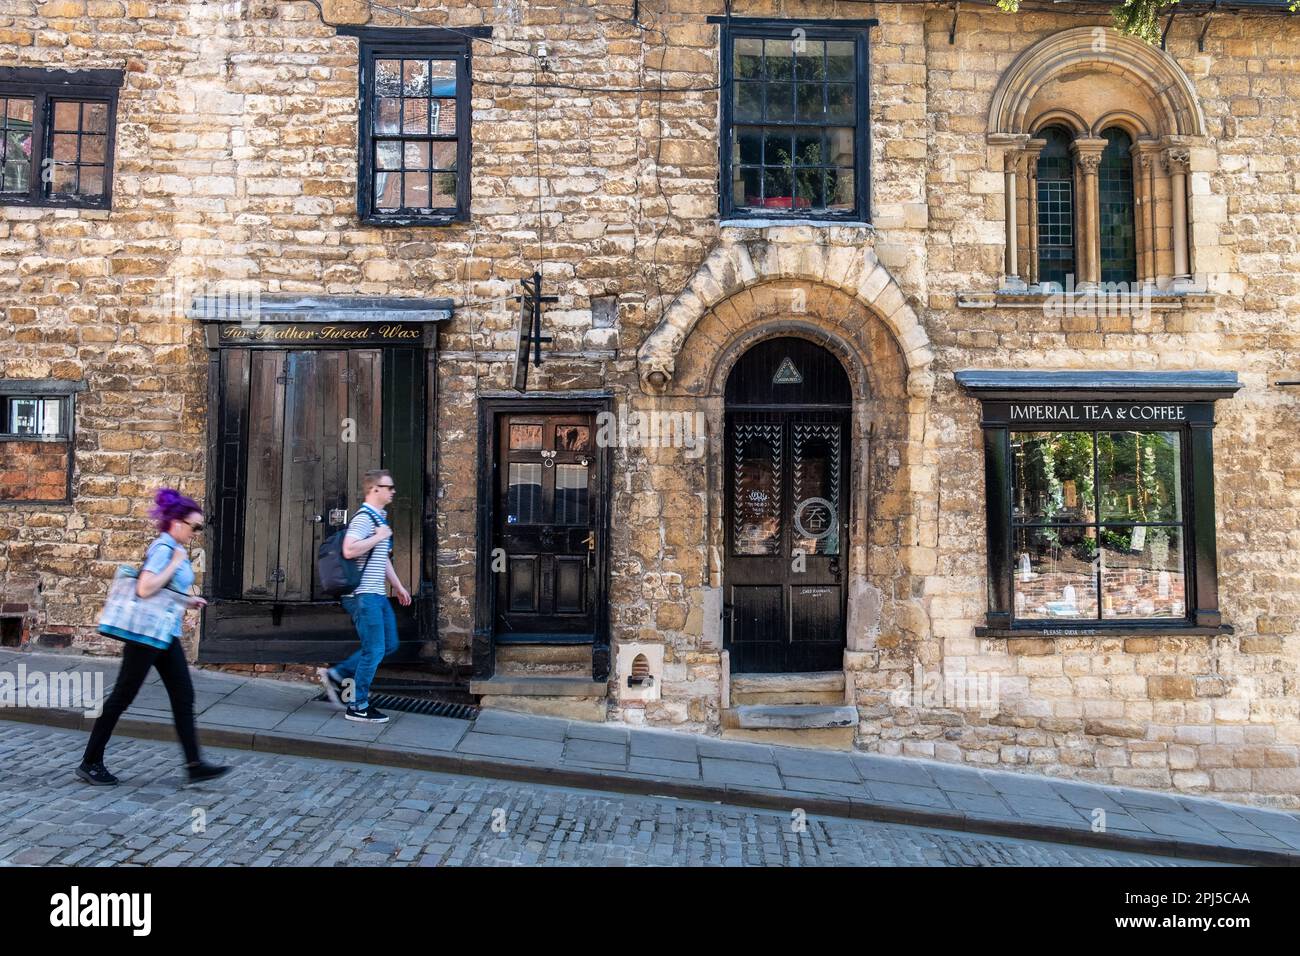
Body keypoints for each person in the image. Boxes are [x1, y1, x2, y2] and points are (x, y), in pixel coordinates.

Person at [78, 488, 230, 786]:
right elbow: (145, 589)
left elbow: (164, 591)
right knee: (122, 697)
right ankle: (90, 762)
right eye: (195, 526)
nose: (196, 532)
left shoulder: (174, 547)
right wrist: (173, 564)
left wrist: (186, 602)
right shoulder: (165, 549)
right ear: (177, 522)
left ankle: (194, 764)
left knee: (183, 696)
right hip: (145, 636)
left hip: (163, 636)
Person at [318, 469, 412, 722]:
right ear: (374, 490)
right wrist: (378, 537)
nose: (392, 491)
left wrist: (398, 586)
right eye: (388, 487)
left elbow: (381, 559)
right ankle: (358, 705)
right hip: (362, 595)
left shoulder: (380, 518)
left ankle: (337, 674)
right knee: (374, 649)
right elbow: (349, 550)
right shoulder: (364, 519)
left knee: (388, 645)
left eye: (392, 487)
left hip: (377, 595)